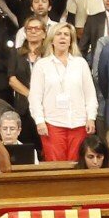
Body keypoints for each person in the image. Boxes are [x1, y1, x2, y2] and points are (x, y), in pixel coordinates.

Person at [28, 21, 97, 163]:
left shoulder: (80, 63)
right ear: (51, 39)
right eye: (58, 34)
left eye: (66, 35)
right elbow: (34, 97)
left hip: (79, 124)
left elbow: (90, 95)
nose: (62, 37)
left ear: (71, 40)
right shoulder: (42, 65)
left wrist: (91, 117)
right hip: (52, 125)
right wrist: (39, 121)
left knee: (77, 165)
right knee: (55, 167)